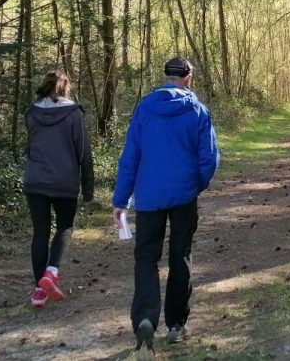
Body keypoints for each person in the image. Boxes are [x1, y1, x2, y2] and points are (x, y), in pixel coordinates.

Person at [113, 56, 219, 359]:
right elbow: (209, 159)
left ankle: (145, 319)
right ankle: (175, 325)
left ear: (165, 77)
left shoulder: (145, 110)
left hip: (148, 197)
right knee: (179, 256)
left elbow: (130, 157)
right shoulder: (198, 111)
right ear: (188, 78)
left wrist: (121, 200)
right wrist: (195, 184)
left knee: (146, 259)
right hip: (184, 195)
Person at [23, 69, 94, 308]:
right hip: (64, 182)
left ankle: (38, 291)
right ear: (65, 88)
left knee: (40, 233)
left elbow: (30, 147)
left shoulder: (31, 113)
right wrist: (88, 187)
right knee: (65, 227)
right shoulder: (73, 114)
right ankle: (51, 273)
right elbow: (84, 152)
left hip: (35, 181)